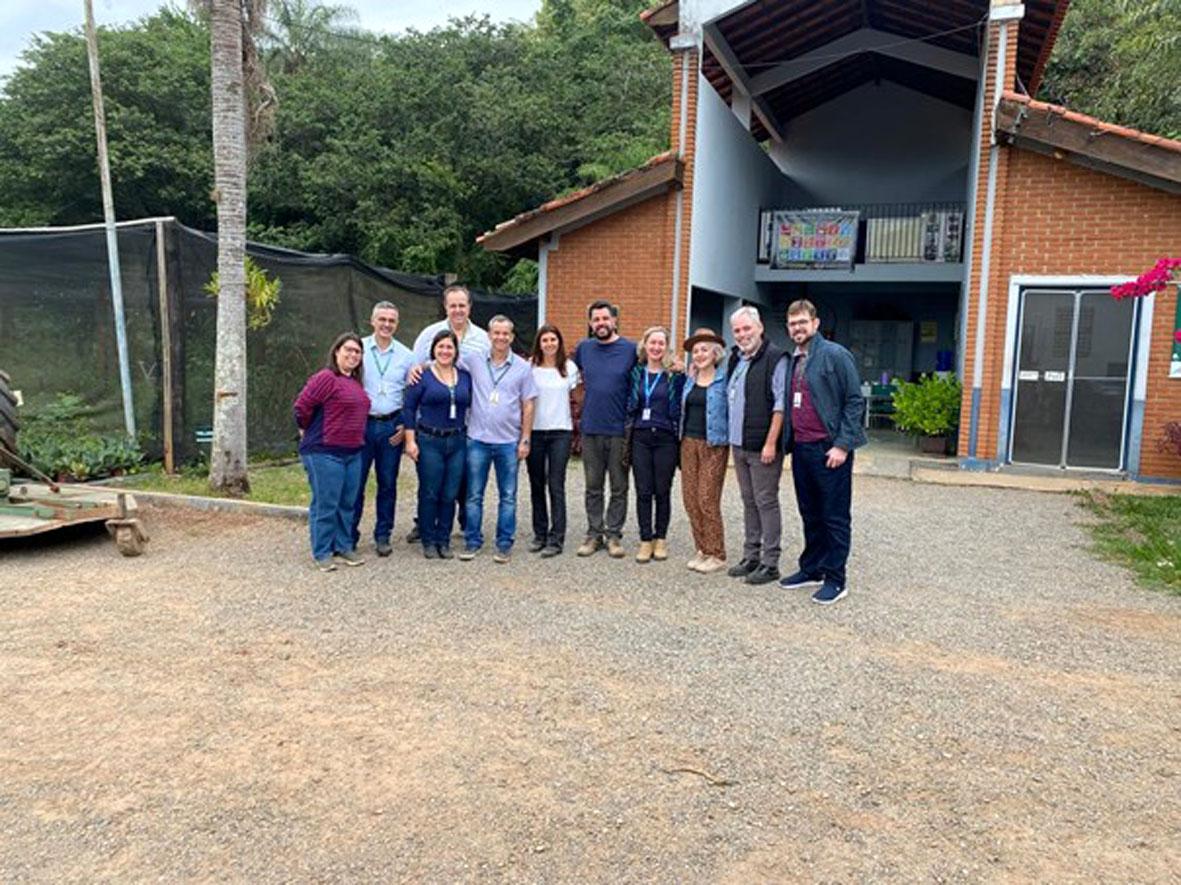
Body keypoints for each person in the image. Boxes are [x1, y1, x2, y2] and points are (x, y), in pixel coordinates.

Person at [778, 299, 867, 605]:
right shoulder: (795, 359)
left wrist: (842, 445)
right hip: (802, 449)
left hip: (829, 450)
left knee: (834, 517)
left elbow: (855, 401)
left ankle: (836, 578)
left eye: (803, 322)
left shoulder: (834, 355)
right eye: (792, 324)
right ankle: (812, 569)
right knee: (810, 514)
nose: (798, 328)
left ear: (815, 324)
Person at [408, 283, 490, 542]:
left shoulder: (482, 339)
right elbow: (415, 370)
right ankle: (424, 525)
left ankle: (465, 524)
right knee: (430, 480)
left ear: (469, 307)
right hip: (433, 421)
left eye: (462, 305)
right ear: (445, 307)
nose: (457, 310)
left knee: (462, 479)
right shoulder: (430, 334)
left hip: (468, 423)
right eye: (452, 305)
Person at [455, 315, 538, 564]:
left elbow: (529, 404)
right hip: (477, 439)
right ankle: (472, 541)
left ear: (512, 337)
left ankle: (504, 543)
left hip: (508, 441)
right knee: (473, 494)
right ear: (489, 335)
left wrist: (525, 439)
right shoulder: (474, 360)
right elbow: (444, 360)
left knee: (508, 495)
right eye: (496, 333)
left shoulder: (523, 368)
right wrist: (420, 367)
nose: (501, 337)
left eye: (506, 334)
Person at [293, 332, 371, 572]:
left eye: (357, 352)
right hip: (324, 452)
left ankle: (344, 545)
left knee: (347, 503)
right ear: (336, 351)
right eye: (348, 350)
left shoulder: (355, 383)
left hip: (353, 452)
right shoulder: (326, 378)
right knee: (326, 503)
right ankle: (322, 551)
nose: (352, 355)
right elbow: (302, 406)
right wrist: (305, 428)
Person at [725, 306, 787, 586]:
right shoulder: (735, 359)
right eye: (737, 330)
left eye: (746, 328)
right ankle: (751, 555)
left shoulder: (776, 358)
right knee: (749, 501)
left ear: (759, 327)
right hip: (738, 444)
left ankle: (770, 562)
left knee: (766, 501)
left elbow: (780, 405)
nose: (741, 335)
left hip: (762, 446)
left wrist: (771, 443)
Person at [351, 301, 415, 557]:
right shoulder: (359, 349)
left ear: (397, 324)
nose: (387, 324)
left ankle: (383, 535)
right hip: (362, 425)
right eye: (382, 319)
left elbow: (412, 395)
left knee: (387, 483)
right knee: (356, 483)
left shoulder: (406, 355)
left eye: (391, 321)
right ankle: (349, 534)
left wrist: (406, 424)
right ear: (372, 321)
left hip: (391, 426)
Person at [573, 300, 637, 558]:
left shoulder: (631, 349)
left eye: (605, 319)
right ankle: (593, 533)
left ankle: (613, 535)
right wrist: (583, 404)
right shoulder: (584, 349)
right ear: (590, 323)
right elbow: (574, 379)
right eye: (596, 320)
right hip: (591, 429)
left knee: (619, 486)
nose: (601, 323)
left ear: (614, 321)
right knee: (593, 485)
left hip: (620, 429)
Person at [402, 329, 473, 559]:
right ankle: (428, 539)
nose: (445, 351)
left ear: (455, 351)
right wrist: (410, 441)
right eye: (441, 346)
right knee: (430, 492)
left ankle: (444, 539)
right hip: (429, 440)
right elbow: (409, 408)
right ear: (433, 349)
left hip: (457, 441)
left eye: (449, 347)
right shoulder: (421, 376)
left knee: (450, 493)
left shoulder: (464, 376)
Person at [626, 327, 684, 564]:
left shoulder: (674, 375)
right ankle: (645, 540)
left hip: (665, 438)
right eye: (653, 343)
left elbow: (681, 404)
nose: (656, 347)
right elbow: (630, 403)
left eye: (661, 343)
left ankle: (661, 538)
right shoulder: (636, 373)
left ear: (666, 347)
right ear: (645, 345)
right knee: (643, 490)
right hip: (640, 436)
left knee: (662, 490)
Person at [678, 328, 730, 574]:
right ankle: (702, 548)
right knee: (690, 499)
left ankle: (717, 553)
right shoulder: (690, 380)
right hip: (688, 442)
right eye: (696, 351)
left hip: (714, 444)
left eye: (704, 350)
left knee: (707, 498)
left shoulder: (724, 380)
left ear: (715, 353)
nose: (699, 354)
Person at [526, 324, 580, 557]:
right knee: (536, 484)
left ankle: (557, 538)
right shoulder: (530, 367)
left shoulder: (569, 368)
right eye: (545, 340)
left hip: (560, 432)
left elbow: (578, 398)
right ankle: (540, 534)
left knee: (556, 485)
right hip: (535, 432)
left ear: (559, 342)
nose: (549, 344)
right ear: (539, 343)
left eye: (553, 339)